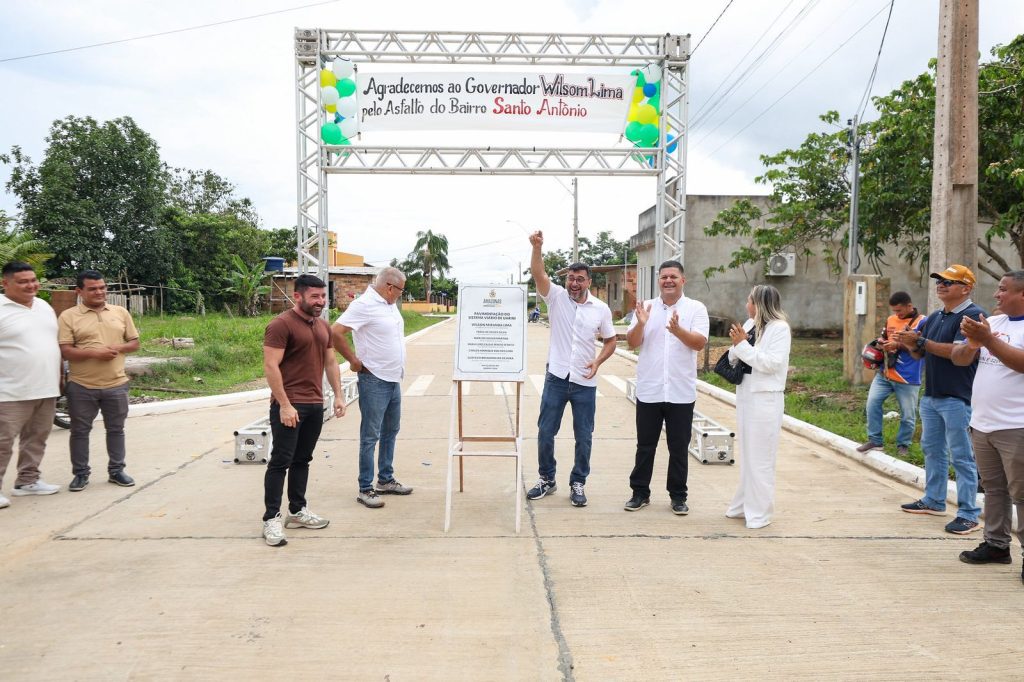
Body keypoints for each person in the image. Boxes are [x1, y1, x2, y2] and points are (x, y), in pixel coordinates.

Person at [525, 231, 617, 507]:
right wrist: (537, 247)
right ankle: (547, 478)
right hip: (556, 378)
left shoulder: (600, 309)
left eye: (580, 279)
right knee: (545, 431)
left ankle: (578, 482)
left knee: (584, 437)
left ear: (589, 282)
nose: (574, 283)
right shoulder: (555, 297)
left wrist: (598, 361)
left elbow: (611, 340)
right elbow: (538, 273)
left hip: (585, 382)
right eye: (570, 278)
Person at [894, 264, 985, 534]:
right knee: (932, 450)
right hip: (932, 394)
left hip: (958, 396)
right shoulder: (935, 317)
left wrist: (921, 342)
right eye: (939, 281)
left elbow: (958, 354)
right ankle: (934, 500)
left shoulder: (972, 317)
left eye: (948, 282)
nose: (941, 285)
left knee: (961, 456)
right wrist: (911, 343)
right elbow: (921, 354)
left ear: (966, 288)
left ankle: (968, 513)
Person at [261, 274, 345, 547]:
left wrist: (338, 395)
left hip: (314, 403)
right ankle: (271, 518)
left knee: (302, 460)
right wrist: (284, 404)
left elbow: (330, 362)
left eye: (323, 296)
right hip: (290, 404)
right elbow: (271, 366)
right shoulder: (281, 324)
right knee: (280, 461)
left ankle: (297, 511)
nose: (320, 301)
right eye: (314, 296)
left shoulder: (323, 326)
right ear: (298, 296)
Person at [951, 270, 1024, 583]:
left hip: (1017, 426)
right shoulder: (992, 322)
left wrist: (988, 340)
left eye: (1003, 289)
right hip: (982, 424)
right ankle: (996, 545)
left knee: (1022, 494)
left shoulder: (993, 331)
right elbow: (959, 359)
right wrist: (971, 343)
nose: (996, 295)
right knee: (994, 489)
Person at [623, 260, 708, 514]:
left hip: (680, 392)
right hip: (650, 389)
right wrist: (640, 323)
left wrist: (678, 330)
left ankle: (678, 496)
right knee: (645, 446)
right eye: (664, 277)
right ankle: (640, 493)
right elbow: (632, 343)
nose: (668, 281)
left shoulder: (696, 308)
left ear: (683, 280)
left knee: (678, 448)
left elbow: (699, 343)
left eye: (673, 276)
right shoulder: (646, 307)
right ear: (658, 280)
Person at [332, 267, 413, 509]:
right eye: (400, 290)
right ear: (389, 287)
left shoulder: (389, 305)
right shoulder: (364, 305)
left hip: (393, 378)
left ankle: (385, 480)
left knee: (391, 430)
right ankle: (365, 488)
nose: (401, 294)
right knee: (370, 436)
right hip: (374, 379)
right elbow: (335, 332)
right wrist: (353, 361)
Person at [58, 270, 140, 492]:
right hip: (81, 386)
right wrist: (94, 353)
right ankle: (80, 474)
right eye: (93, 288)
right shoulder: (68, 316)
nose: (99, 292)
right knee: (79, 432)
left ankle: (116, 470)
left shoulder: (120, 312)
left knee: (116, 430)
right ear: (79, 291)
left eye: (102, 287)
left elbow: (134, 343)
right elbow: (65, 350)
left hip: (116, 384)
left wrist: (118, 347)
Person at [724, 285, 792, 529]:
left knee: (761, 458)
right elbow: (733, 356)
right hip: (746, 396)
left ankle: (760, 513)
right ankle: (743, 505)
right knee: (748, 455)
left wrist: (742, 346)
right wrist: (738, 347)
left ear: (759, 304)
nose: (746, 304)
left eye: (749, 300)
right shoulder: (750, 324)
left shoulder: (780, 329)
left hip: (766, 399)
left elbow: (771, 364)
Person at [0, 262, 62, 507]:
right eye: (23, 281)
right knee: (2, 442)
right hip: (9, 391)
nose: (31, 285)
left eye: (33, 280)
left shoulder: (44, 306)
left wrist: (60, 376)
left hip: (46, 387)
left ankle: (28, 481)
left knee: (36, 438)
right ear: (5, 283)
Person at [857, 292, 926, 457]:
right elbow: (883, 337)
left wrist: (898, 345)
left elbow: (923, 347)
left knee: (908, 415)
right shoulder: (890, 320)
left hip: (908, 377)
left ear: (909, 306)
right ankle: (875, 440)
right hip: (885, 373)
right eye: (894, 311)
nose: (897, 314)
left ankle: (903, 445)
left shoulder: (923, 322)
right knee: (872, 404)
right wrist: (881, 343)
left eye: (899, 311)